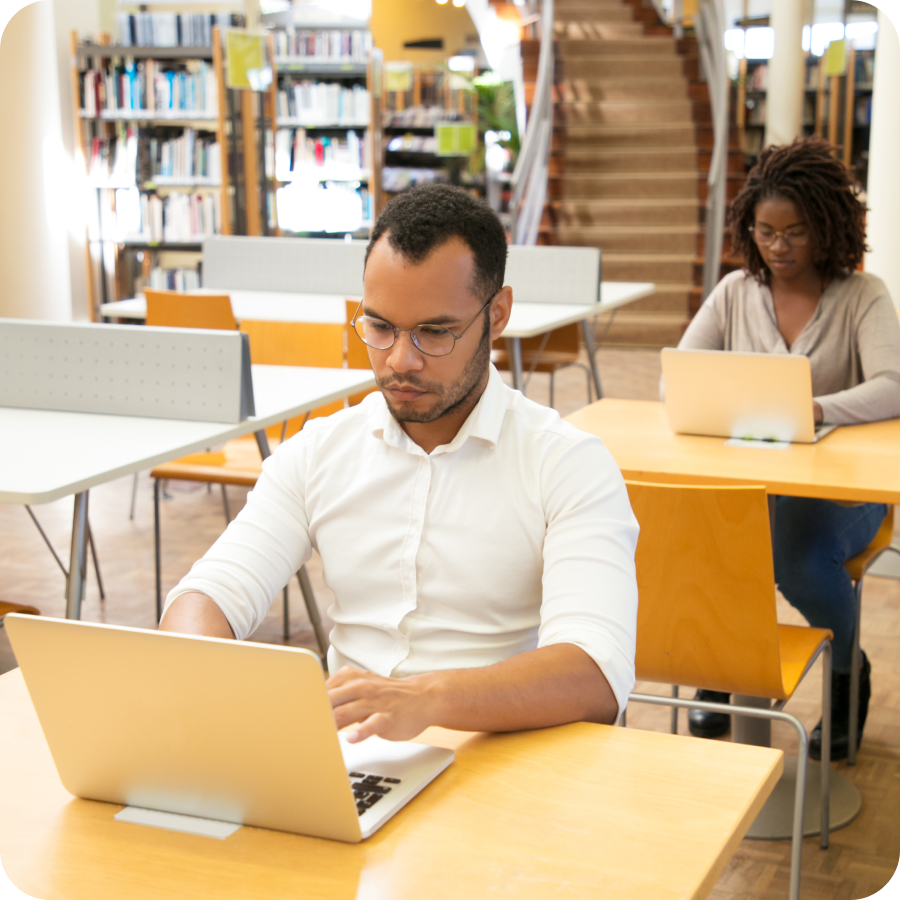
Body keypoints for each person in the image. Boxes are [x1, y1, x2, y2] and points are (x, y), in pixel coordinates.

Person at [160, 184, 639, 742]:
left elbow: (595, 674)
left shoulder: (567, 464)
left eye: (435, 332)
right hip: (350, 757)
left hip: (501, 754)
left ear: (497, 315)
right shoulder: (320, 451)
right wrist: (198, 670)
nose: (400, 360)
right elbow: (208, 594)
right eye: (380, 327)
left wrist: (426, 700)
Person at [677, 137, 900, 759]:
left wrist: (816, 408)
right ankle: (724, 666)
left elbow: (893, 385)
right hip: (750, 479)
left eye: (795, 232)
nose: (778, 246)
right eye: (766, 232)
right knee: (712, 531)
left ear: (827, 227)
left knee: (794, 549)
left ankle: (847, 673)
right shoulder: (734, 292)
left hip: (843, 491)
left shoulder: (862, 294)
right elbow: (681, 373)